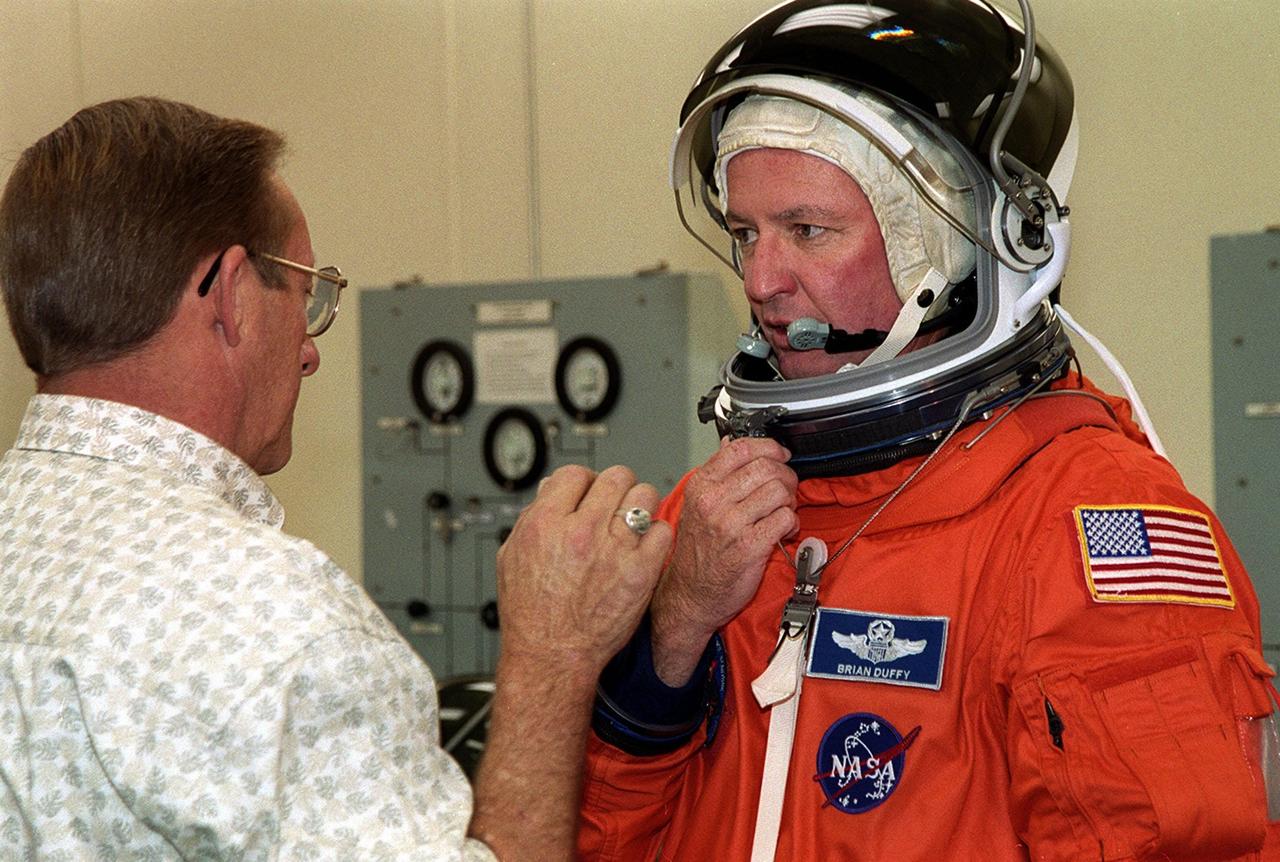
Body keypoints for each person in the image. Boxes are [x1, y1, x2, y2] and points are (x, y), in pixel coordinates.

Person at [581, 1, 1280, 860]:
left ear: (952, 242)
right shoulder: (720, 509)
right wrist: (673, 631)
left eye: (808, 230)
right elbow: (603, 840)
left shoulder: (1086, 526)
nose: (762, 280)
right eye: (745, 233)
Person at [0, 96, 672, 861]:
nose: (312, 351)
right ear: (228, 293)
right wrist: (554, 654)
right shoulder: (272, 621)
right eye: (304, 290)